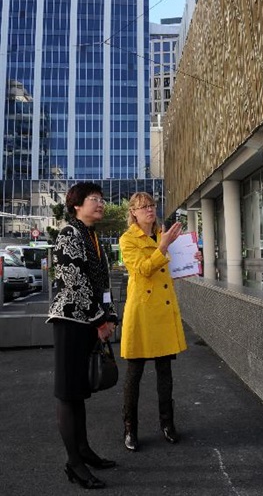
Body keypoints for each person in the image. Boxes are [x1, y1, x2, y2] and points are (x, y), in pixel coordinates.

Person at [48, 182, 118, 490]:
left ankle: (85, 451)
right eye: (94, 199)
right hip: (70, 322)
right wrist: (99, 320)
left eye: (102, 200)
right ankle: (73, 464)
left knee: (80, 392)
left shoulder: (93, 237)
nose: (100, 204)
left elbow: (102, 282)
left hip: (89, 322)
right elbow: (73, 280)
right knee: (68, 393)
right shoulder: (69, 234)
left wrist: (110, 315)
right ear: (76, 204)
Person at [119, 192, 201, 451]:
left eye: (152, 205)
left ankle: (168, 424)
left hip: (163, 311)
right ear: (133, 212)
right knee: (135, 374)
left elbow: (170, 271)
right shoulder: (127, 239)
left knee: (165, 373)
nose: (149, 210)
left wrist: (192, 262)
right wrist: (163, 246)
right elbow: (142, 270)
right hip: (142, 312)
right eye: (143, 207)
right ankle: (130, 429)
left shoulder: (164, 234)